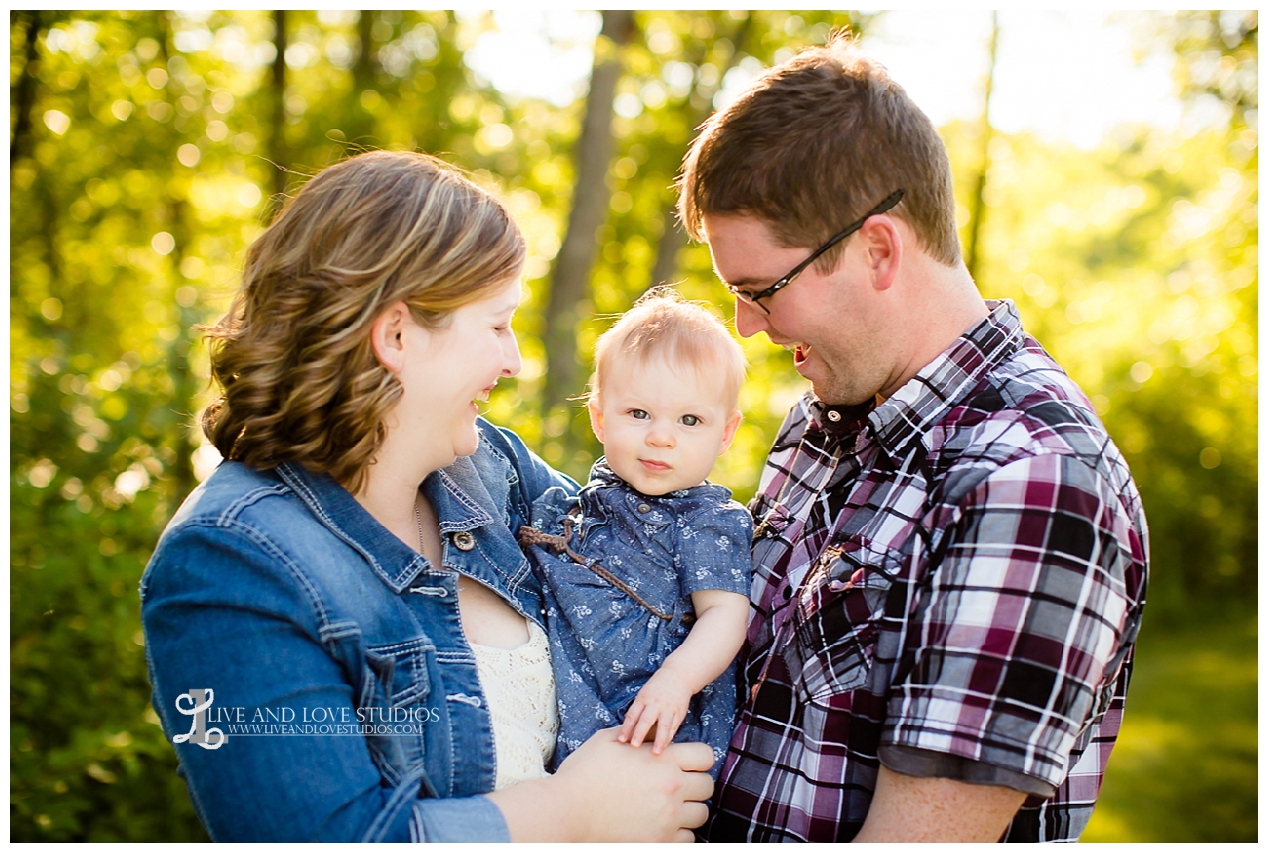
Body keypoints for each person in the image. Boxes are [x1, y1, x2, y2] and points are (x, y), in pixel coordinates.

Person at [140, 150, 715, 842]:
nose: (515, 361)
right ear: (397, 335)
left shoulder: (491, 472)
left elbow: (668, 557)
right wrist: (569, 817)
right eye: (497, 325)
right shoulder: (230, 563)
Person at [675, 35, 1149, 842]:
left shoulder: (1033, 478)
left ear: (877, 248)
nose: (746, 327)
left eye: (760, 291)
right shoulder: (820, 425)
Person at [518, 289, 751, 772]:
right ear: (600, 417)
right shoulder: (583, 505)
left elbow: (726, 614)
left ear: (725, 434)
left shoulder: (705, 520)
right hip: (568, 703)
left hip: (647, 711)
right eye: (638, 413)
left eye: (690, 420)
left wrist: (677, 680)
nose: (660, 436)